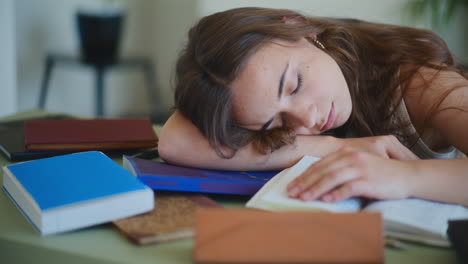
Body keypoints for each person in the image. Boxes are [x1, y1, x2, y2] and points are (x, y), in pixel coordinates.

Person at [159, 7, 468, 206]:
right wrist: (331, 148)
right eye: (275, 123)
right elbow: (176, 141)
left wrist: (405, 176)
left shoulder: (424, 83)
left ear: (299, 29)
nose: (306, 120)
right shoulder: (310, 109)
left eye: (294, 85)